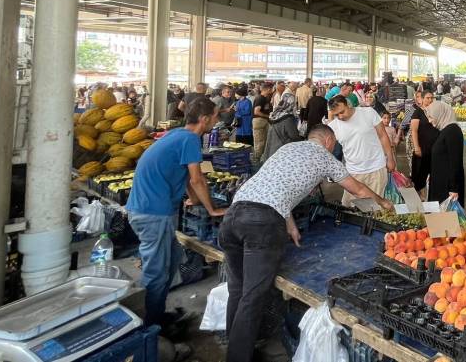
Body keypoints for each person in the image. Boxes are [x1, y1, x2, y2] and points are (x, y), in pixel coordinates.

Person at [220, 125, 392, 362]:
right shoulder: (324, 156)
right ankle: (237, 357)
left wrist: (289, 224)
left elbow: (277, 186)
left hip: (233, 216)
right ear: (329, 140)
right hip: (261, 224)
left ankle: (235, 343)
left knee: (237, 289)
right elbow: (358, 189)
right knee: (252, 296)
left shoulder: (288, 149)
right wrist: (383, 202)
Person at [126, 98, 224, 331]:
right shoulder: (190, 139)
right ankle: (150, 329)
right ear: (204, 119)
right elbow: (196, 178)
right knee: (157, 273)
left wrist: (195, 198)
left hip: (149, 208)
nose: (217, 120)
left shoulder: (178, 134)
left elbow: (185, 176)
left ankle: (157, 315)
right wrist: (211, 209)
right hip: (152, 213)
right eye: (215, 116)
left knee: (169, 266)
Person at [325, 96, 396, 203]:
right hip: (353, 173)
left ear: (348, 105)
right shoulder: (333, 126)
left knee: (375, 208)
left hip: (376, 169)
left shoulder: (368, 113)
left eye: (342, 112)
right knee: (351, 209)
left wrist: (390, 158)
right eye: (336, 114)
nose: (340, 116)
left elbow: (382, 135)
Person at [426, 101, 465, 206]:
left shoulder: (453, 132)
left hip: (447, 186)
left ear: (440, 114)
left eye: (431, 117)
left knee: (447, 218)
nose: (430, 121)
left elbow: (455, 161)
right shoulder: (444, 130)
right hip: (440, 181)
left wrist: (453, 188)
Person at [410, 90, 438, 195]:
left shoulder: (435, 111)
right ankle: (420, 196)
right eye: (427, 98)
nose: (430, 100)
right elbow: (414, 130)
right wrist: (416, 147)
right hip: (422, 148)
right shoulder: (417, 112)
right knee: (420, 173)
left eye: (432, 98)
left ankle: (430, 195)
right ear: (421, 99)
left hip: (434, 148)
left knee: (433, 172)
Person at [262, 83, 299, 162]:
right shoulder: (288, 118)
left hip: (271, 149)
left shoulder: (274, 115)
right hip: (281, 152)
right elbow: (294, 136)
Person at [252, 83, 272, 159]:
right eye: (270, 89)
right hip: (259, 121)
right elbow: (256, 111)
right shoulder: (260, 98)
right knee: (259, 142)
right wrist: (267, 116)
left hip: (263, 121)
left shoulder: (264, 98)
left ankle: (261, 158)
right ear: (267, 89)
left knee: (263, 141)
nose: (271, 90)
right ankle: (257, 159)